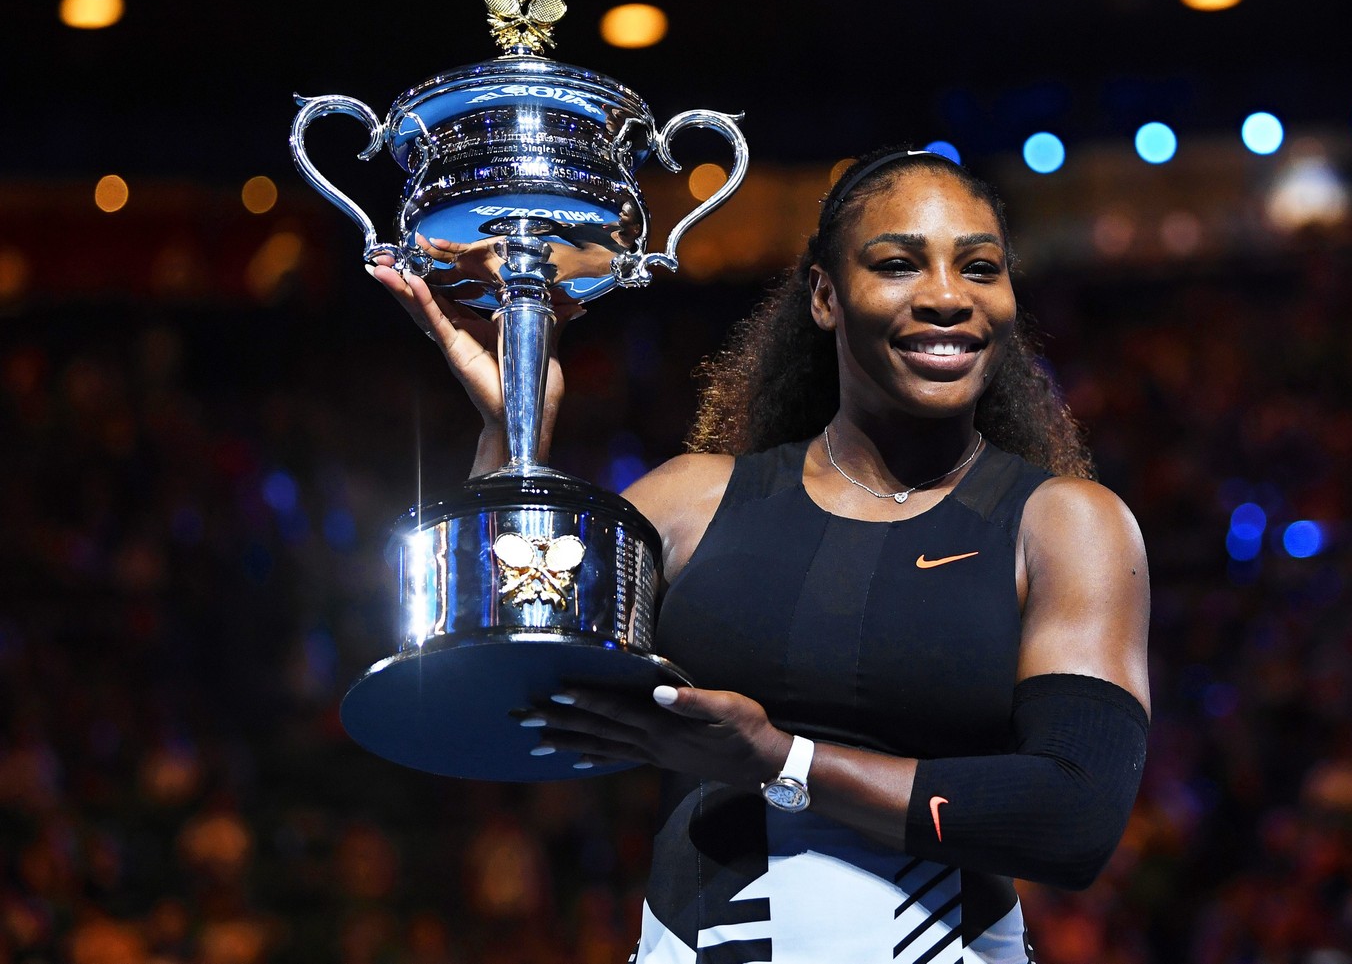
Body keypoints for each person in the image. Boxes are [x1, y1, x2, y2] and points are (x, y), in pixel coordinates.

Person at [372, 148, 1151, 964]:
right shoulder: (691, 503)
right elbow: (504, 679)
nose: (948, 296)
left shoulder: (1065, 523)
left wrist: (783, 760)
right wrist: (511, 428)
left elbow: (1075, 815)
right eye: (896, 263)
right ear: (825, 295)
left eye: (980, 267)